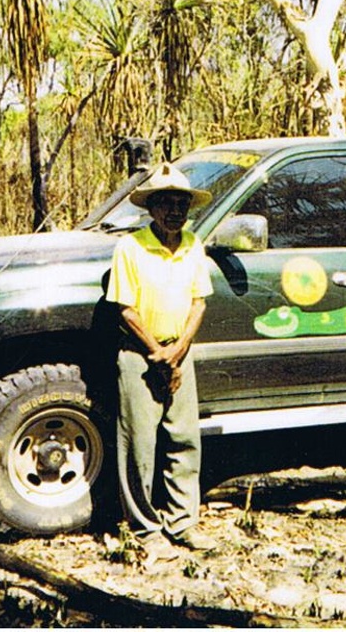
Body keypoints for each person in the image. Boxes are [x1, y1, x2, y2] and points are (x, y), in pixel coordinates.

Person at [106, 163, 217, 561]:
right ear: (151, 209)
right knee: (139, 445)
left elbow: (199, 301)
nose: (174, 211)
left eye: (181, 203)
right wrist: (157, 354)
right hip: (141, 356)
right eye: (166, 203)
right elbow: (125, 310)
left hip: (177, 354)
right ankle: (144, 529)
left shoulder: (192, 244)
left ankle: (183, 522)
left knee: (185, 439)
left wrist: (177, 350)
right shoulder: (130, 248)